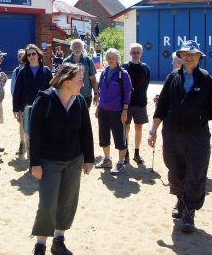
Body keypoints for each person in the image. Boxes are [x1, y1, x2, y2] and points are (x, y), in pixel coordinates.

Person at [148, 40, 212, 233]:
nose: (189, 56)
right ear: (181, 57)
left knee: (196, 173)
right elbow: (161, 107)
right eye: (185, 54)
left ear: (199, 57)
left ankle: (190, 212)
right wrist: (153, 130)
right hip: (172, 135)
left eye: (193, 54)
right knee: (175, 172)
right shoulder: (172, 78)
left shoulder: (207, 80)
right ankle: (181, 201)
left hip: (197, 136)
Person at [30, 63, 94, 255]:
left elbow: (86, 132)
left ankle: (59, 241)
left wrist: (89, 159)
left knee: (67, 202)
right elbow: (35, 134)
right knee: (48, 203)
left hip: (74, 160)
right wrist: (35, 163)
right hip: (49, 161)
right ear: (66, 81)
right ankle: (40, 244)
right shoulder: (44, 100)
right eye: (79, 80)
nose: (83, 84)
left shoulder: (80, 101)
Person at [95, 48, 132, 175]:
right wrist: (98, 107)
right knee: (104, 136)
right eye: (108, 57)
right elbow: (101, 92)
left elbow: (127, 93)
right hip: (103, 110)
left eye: (113, 57)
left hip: (117, 111)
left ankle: (121, 163)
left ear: (117, 59)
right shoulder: (104, 71)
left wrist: (125, 111)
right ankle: (107, 160)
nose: (110, 59)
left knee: (120, 138)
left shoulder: (123, 74)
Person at [13, 44, 53, 157]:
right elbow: (17, 91)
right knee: (29, 133)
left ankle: (42, 156)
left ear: (38, 55)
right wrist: (16, 109)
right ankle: (32, 159)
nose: (31, 56)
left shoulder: (46, 71)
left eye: (33, 53)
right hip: (26, 107)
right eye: (29, 54)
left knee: (43, 131)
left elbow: (51, 89)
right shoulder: (22, 72)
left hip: (43, 106)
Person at [122, 43, 151, 164]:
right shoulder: (124, 67)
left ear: (141, 53)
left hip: (141, 103)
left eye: (138, 52)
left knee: (139, 128)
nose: (136, 54)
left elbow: (146, 85)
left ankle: (137, 154)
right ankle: (126, 153)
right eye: (133, 52)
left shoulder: (145, 68)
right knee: (126, 128)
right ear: (130, 53)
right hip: (126, 104)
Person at [63, 39, 98, 108]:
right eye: (75, 47)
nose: (77, 49)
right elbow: (63, 79)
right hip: (70, 96)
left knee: (85, 117)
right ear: (71, 48)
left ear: (82, 48)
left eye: (79, 46)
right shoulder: (66, 61)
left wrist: (96, 94)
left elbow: (93, 79)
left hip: (86, 96)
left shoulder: (88, 61)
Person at [11, 49, 26, 155]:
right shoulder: (16, 71)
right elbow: (13, 89)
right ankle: (22, 144)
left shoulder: (32, 68)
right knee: (22, 124)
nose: (21, 57)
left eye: (23, 55)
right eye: (19, 55)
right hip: (21, 103)